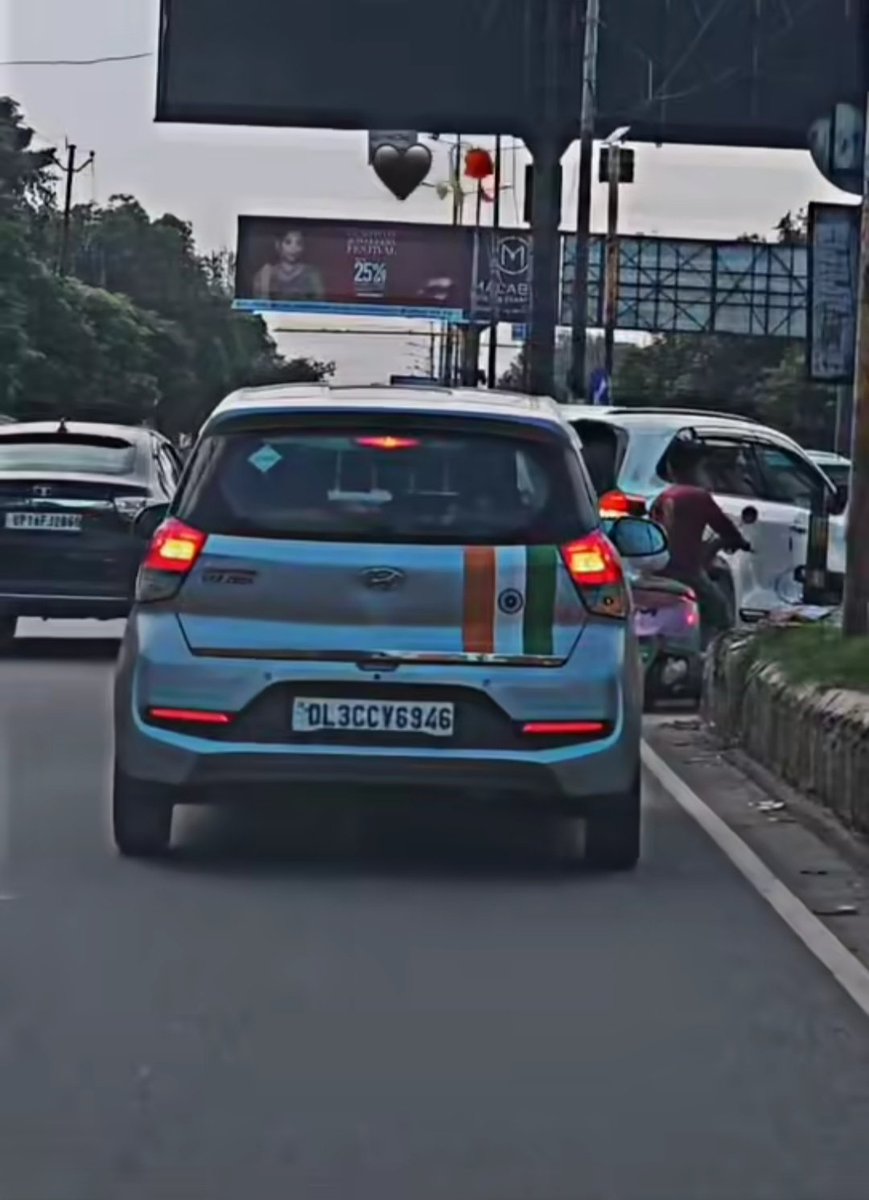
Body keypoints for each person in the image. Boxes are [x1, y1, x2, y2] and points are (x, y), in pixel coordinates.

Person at [650, 440, 751, 639]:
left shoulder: (663, 496)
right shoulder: (698, 496)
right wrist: (738, 541)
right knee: (722, 615)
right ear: (697, 468)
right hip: (686, 571)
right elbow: (725, 529)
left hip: (657, 570)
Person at [252, 229, 325, 302]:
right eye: (288, 242)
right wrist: (265, 281)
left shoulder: (311, 273)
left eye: (299, 243)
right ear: (278, 245)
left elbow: (320, 304)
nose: (294, 248)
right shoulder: (267, 272)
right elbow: (260, 305)